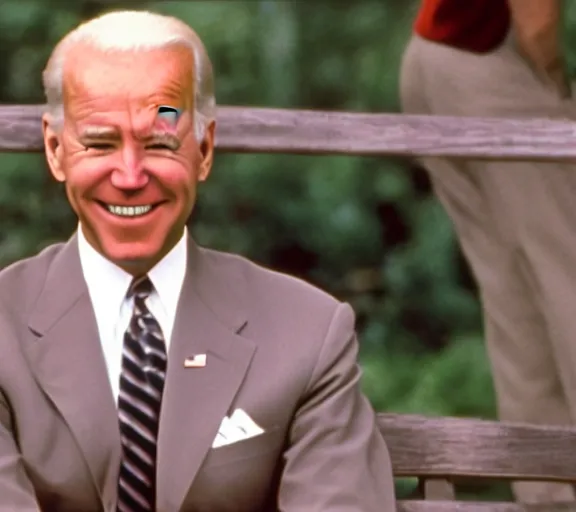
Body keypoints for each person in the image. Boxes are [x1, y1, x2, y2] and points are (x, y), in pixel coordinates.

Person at [0, 10, 397, 512]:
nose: (129, 174)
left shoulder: (309, 333)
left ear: (204, 149)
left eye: (159, 143)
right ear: (56, 150)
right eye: (100, 143)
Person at [400, 0, 576, 504]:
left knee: (515, 292)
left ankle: (549, 492)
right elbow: (537, 17)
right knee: (567, 274)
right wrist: (554, 86)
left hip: (430, 62)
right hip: (492, 65)